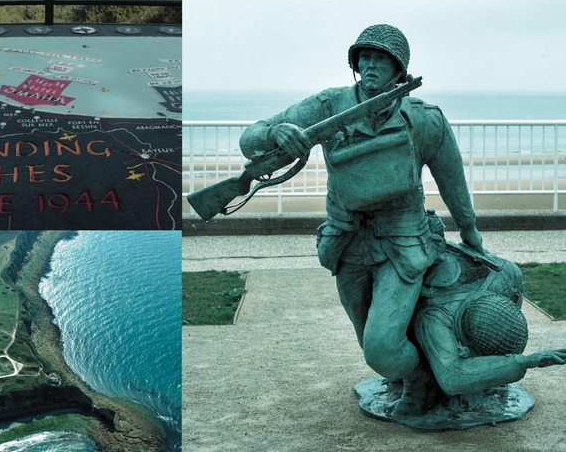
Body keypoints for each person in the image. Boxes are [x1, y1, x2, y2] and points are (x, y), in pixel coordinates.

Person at [239, 24, 483, 412]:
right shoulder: (329, 105)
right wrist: (278, 134)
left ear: (399, 69)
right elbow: (251, 137)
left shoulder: (424, 119)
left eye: (380, 58)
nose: (370, 65)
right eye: (364, 57)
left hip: (402, 242)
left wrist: (469, 231)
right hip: (346, 241)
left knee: (382, 348)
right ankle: (410, 377)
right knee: (365, 336)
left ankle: (421, 381)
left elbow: (452, 180)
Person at [410, 247, 566, 408]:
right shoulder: (434, 317)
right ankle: (413, 386)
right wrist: (523, 362)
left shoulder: (508, 275)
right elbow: (451, 378)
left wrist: (500, 367)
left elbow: (513, 307)